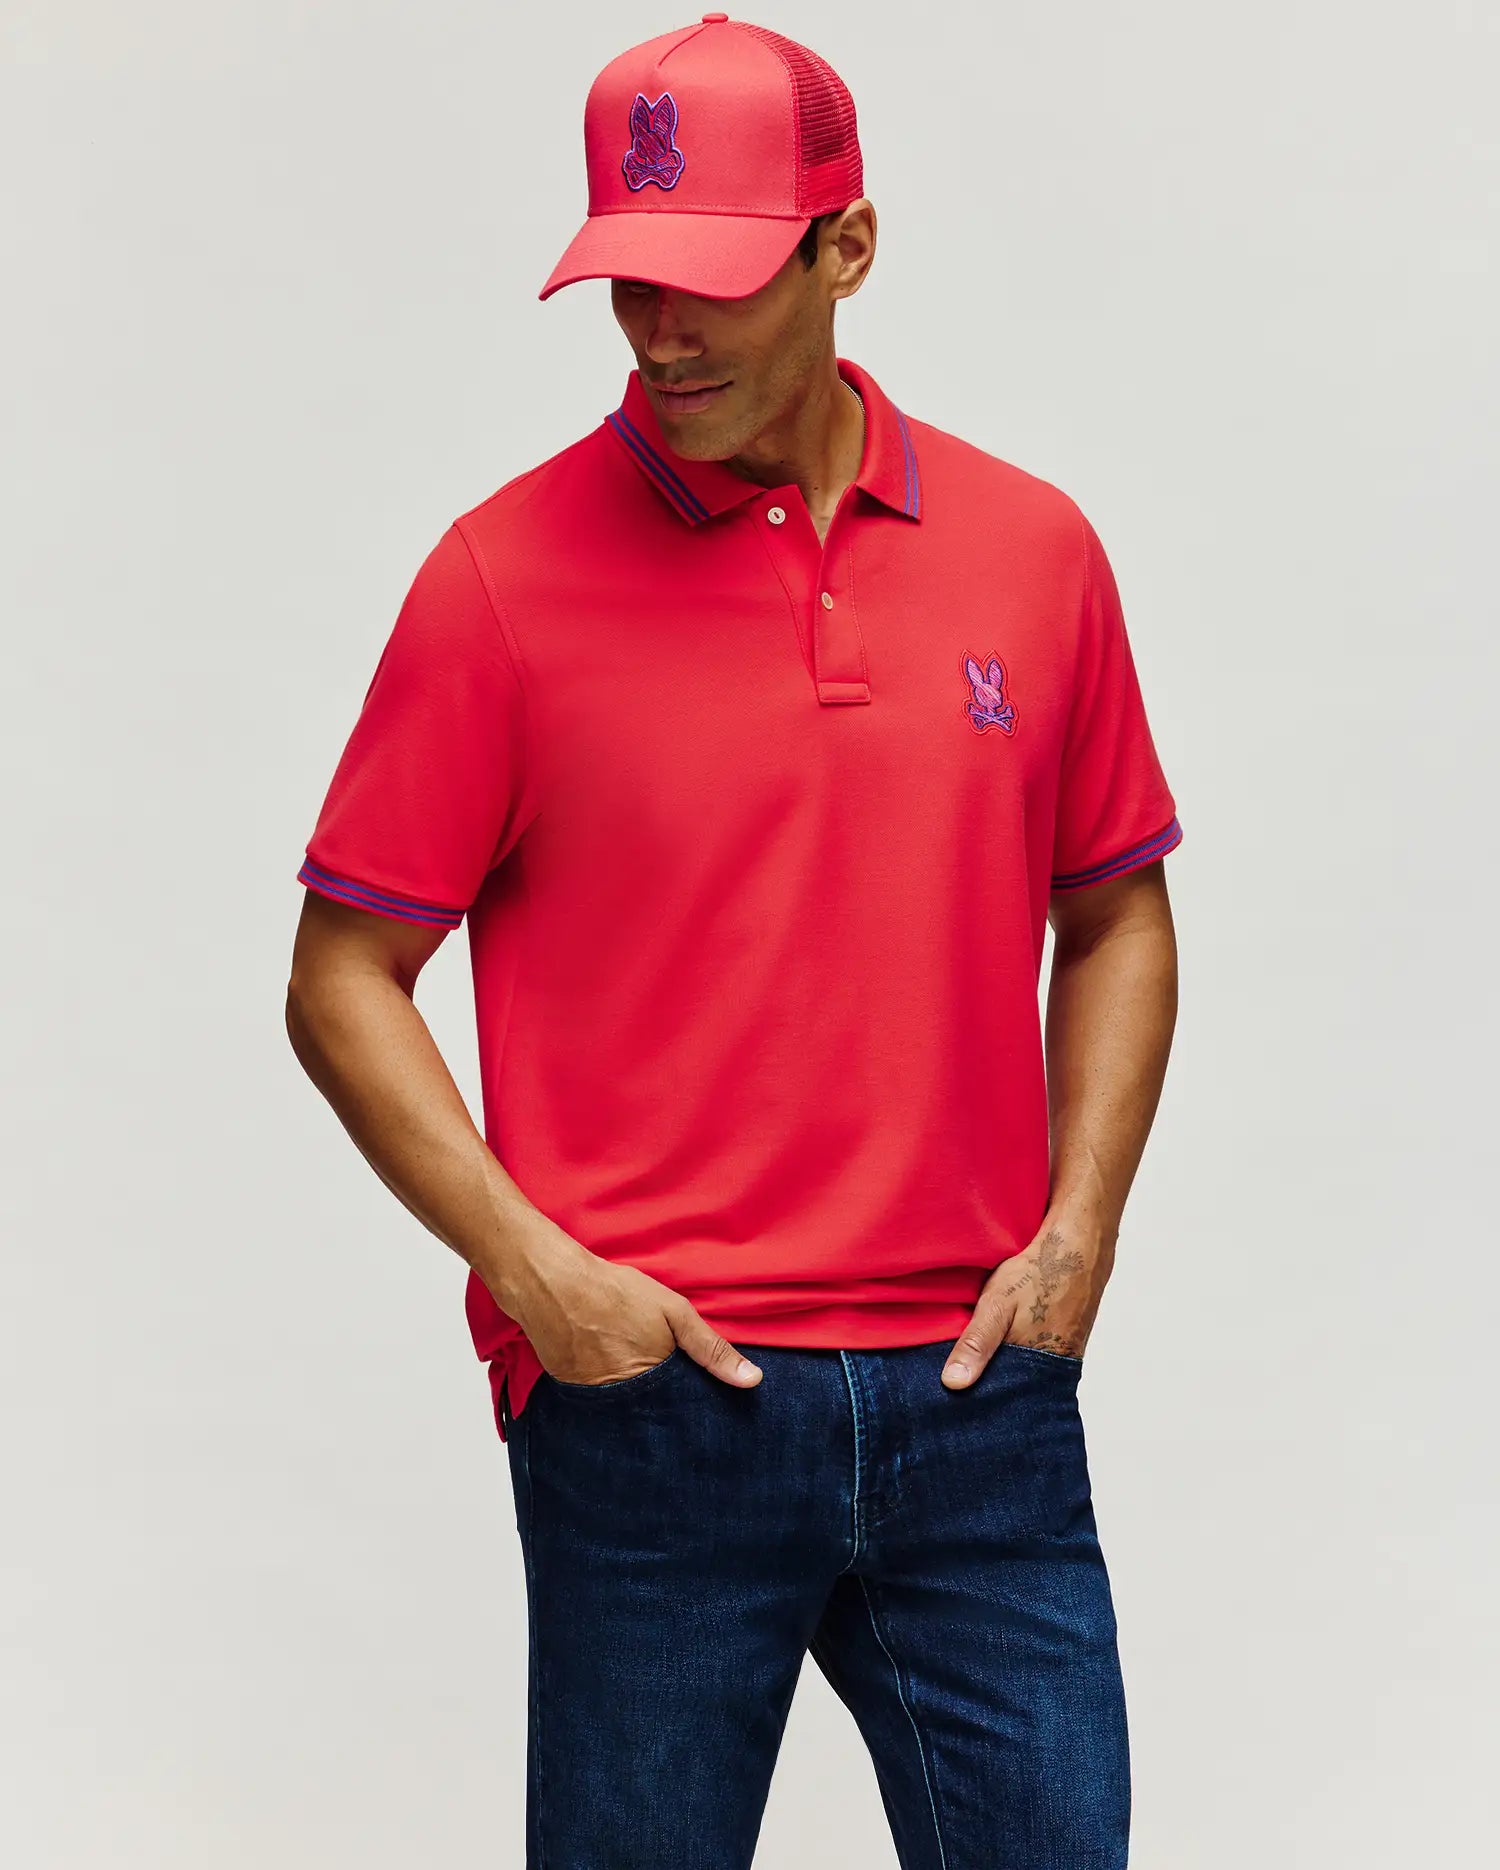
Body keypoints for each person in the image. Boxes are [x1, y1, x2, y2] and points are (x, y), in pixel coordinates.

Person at [286, 15, 1183, 1868]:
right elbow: (341, 977)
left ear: (848, 247)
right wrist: (542, 1278)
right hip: (659, 1403)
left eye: (709, 282)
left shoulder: (1036, 552)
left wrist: (1079, 1233)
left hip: (979, 1397)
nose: (658, 333)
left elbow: (1114, 911)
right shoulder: (500, 582)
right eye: (630, 280)